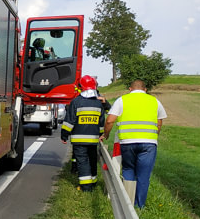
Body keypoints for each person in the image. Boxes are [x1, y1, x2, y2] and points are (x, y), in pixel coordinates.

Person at [102, 79, 167, 208]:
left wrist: (106, 134)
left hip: (127, 143)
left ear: (130, 89)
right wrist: (154, 137)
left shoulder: (122, 100)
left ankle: (127, 202)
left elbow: (109, 121)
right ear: (145, 90)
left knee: (128, 170)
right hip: (149, 144)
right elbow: (159, 123)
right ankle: (139, 205)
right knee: (143, 175)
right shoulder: (155, 101)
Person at [61, 75, 107, 191]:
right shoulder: (98, 104)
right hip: (93, 139)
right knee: (92, 160)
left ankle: (86, 187)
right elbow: (101, 122)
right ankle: (93, 182)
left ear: (81, 87)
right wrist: (101, 134)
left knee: (82, 161)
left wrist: (64, 135)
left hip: (79, 140)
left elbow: (69, 121)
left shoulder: (76, 102)